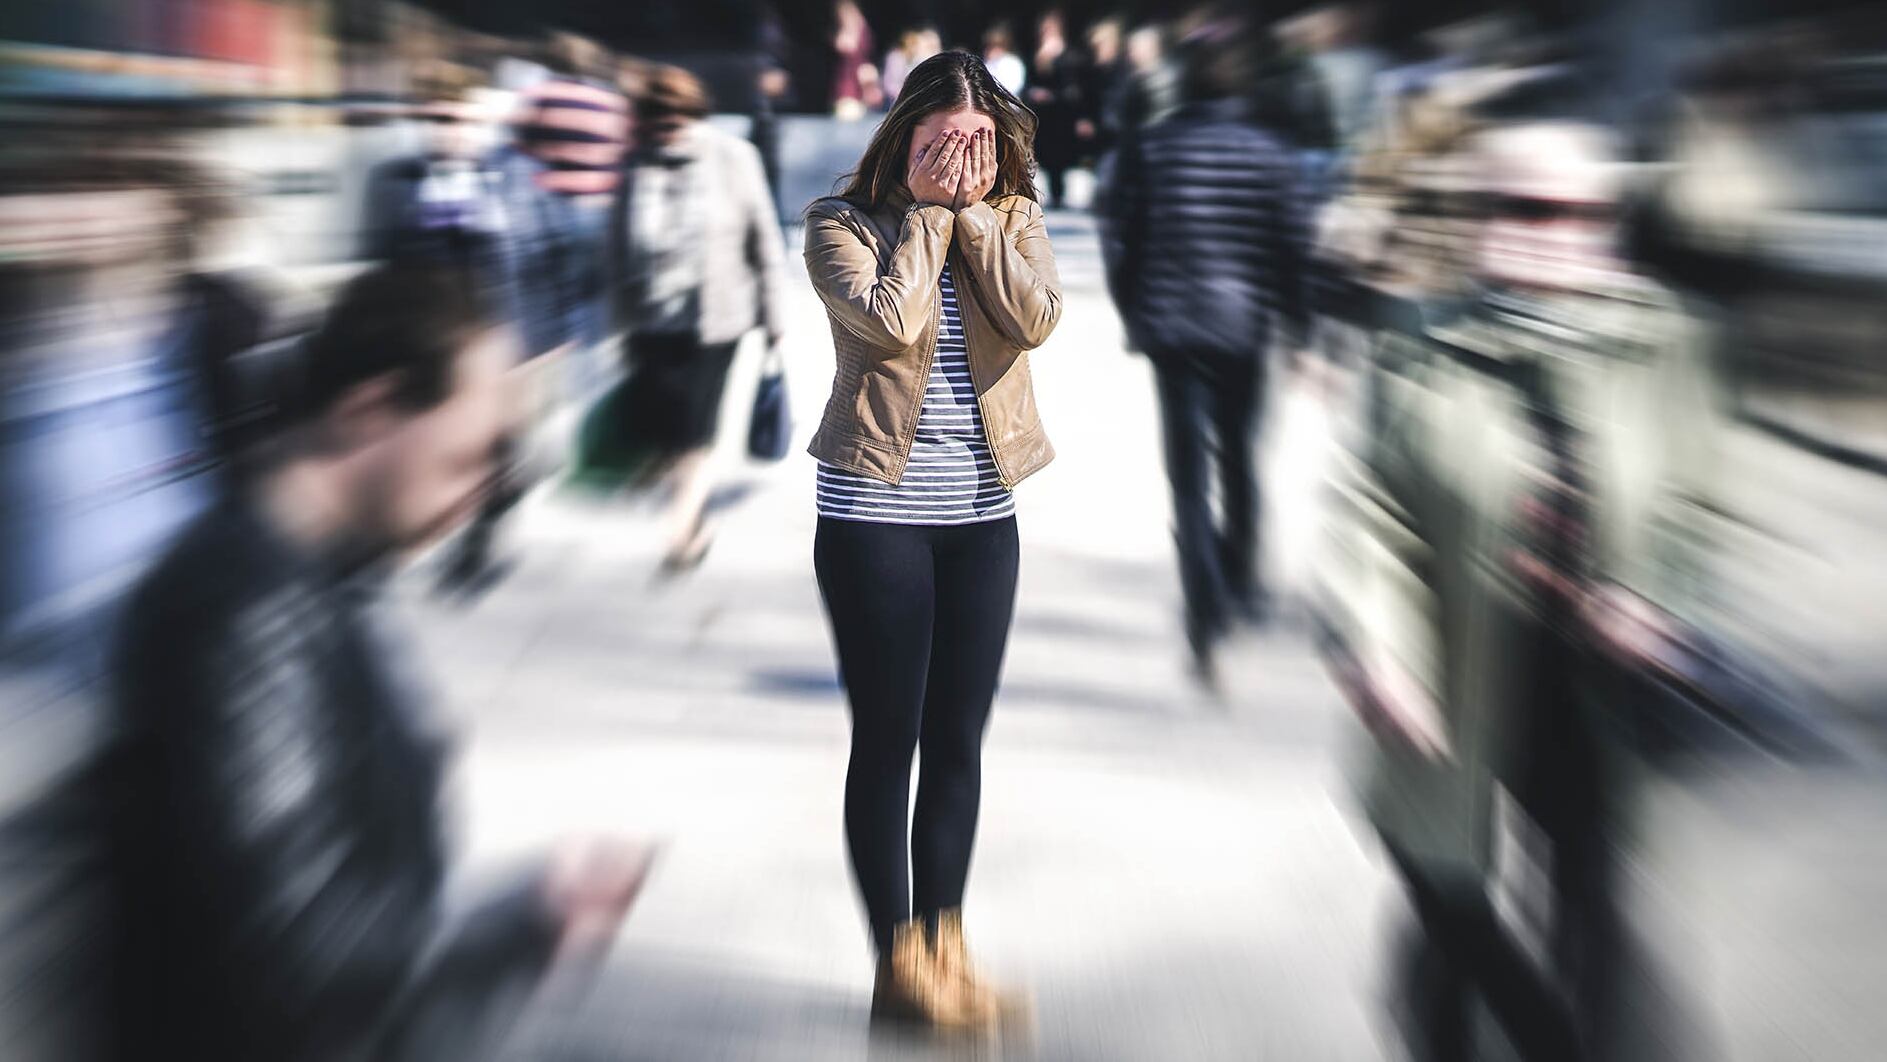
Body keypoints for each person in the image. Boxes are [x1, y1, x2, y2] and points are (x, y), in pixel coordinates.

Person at [103, 264, 654, 1062]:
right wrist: (531, 920)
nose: (486, 490)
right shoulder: (245, 615)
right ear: (370, 411)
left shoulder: (313, 579)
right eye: (470, 456)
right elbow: (303, 958)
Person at [802, 49, 1061, 1031]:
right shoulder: (842, 224)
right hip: (877, 519)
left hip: (984, 521)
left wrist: (978, 221)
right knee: (889, 740)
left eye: (982, 143)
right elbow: (890, 325)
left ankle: (947, 945)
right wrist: (926, 217)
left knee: (959, 739)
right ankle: (896, 963)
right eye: (944, 144)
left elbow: (1033, 319)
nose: (966, 159)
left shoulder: (1018, 219)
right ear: (901, 139)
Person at [1097, 28, 1308, 685]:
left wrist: (1133, 311)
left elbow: (1121, 237)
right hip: (1243, 329)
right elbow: (1290, 246)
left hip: (1173, 330)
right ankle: (1237, 580)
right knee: (1240, 458)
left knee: (1187, 477)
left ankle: (1202, 606)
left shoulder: (1150, 149)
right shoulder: (1270, 155)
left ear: (1183, 81)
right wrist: (1299, 326)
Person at [608, 65, 786, 572]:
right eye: (657, 122)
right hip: (650, 321)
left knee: (693, 427)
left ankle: (682, 532)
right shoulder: (634, 165)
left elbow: (764, 239)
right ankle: (690, 511)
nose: (667, 130)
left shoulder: (733, 158)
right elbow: (616, 248)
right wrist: (618, 324)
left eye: (675, 120)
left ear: (694, 114)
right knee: (666, 430)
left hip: (716, 321)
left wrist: (775, 316)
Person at [1026, 9, 1087, 208]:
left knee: (1060, 155)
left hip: (1061, 115)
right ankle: (1054, 193)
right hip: (1044, 116)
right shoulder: (1038, 55)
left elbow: (1073, 89)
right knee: (1047, 154)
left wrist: (1052, 96)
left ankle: (1060, 194)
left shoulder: (1067, 55)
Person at [831, 0, 881, 120]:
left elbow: (847, 45)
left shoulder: (856, 24)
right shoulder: (859, 24)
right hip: (850, 83)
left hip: (854, 86)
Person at [981, 23, 1027, 97]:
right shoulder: (986, 63)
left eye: (995, 46)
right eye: (988, 46)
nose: (990, 50)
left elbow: (1013, 88)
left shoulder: (1013, 63)